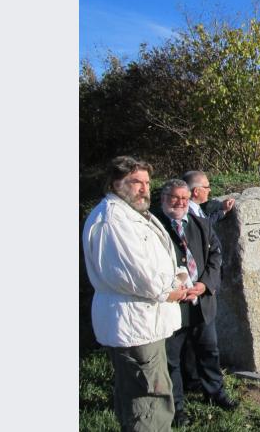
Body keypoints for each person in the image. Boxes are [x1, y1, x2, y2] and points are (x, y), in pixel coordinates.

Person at [82, 156, 189, 432]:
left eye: (147, 182)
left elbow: (156, 261)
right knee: (148, 401)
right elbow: (139, 275)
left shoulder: (133, 215)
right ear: (117, 183)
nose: (144, 188)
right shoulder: (113, 220)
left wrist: (177, 278)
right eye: (136, 182)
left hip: (144, 321)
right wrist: (172, 291)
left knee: (145, 395)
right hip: (136, 323)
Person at [155, 179, 238, 427]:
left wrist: (205, 284)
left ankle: (215, 393)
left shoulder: (199, 223)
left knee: (208, 351)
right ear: (163, 199)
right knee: (172, 360)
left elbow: (216, 254)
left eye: (184, 198)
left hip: (201, 302)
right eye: (174, 198)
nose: (181, 202)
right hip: (173, 306)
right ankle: (176, 407)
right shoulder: (155, 227)